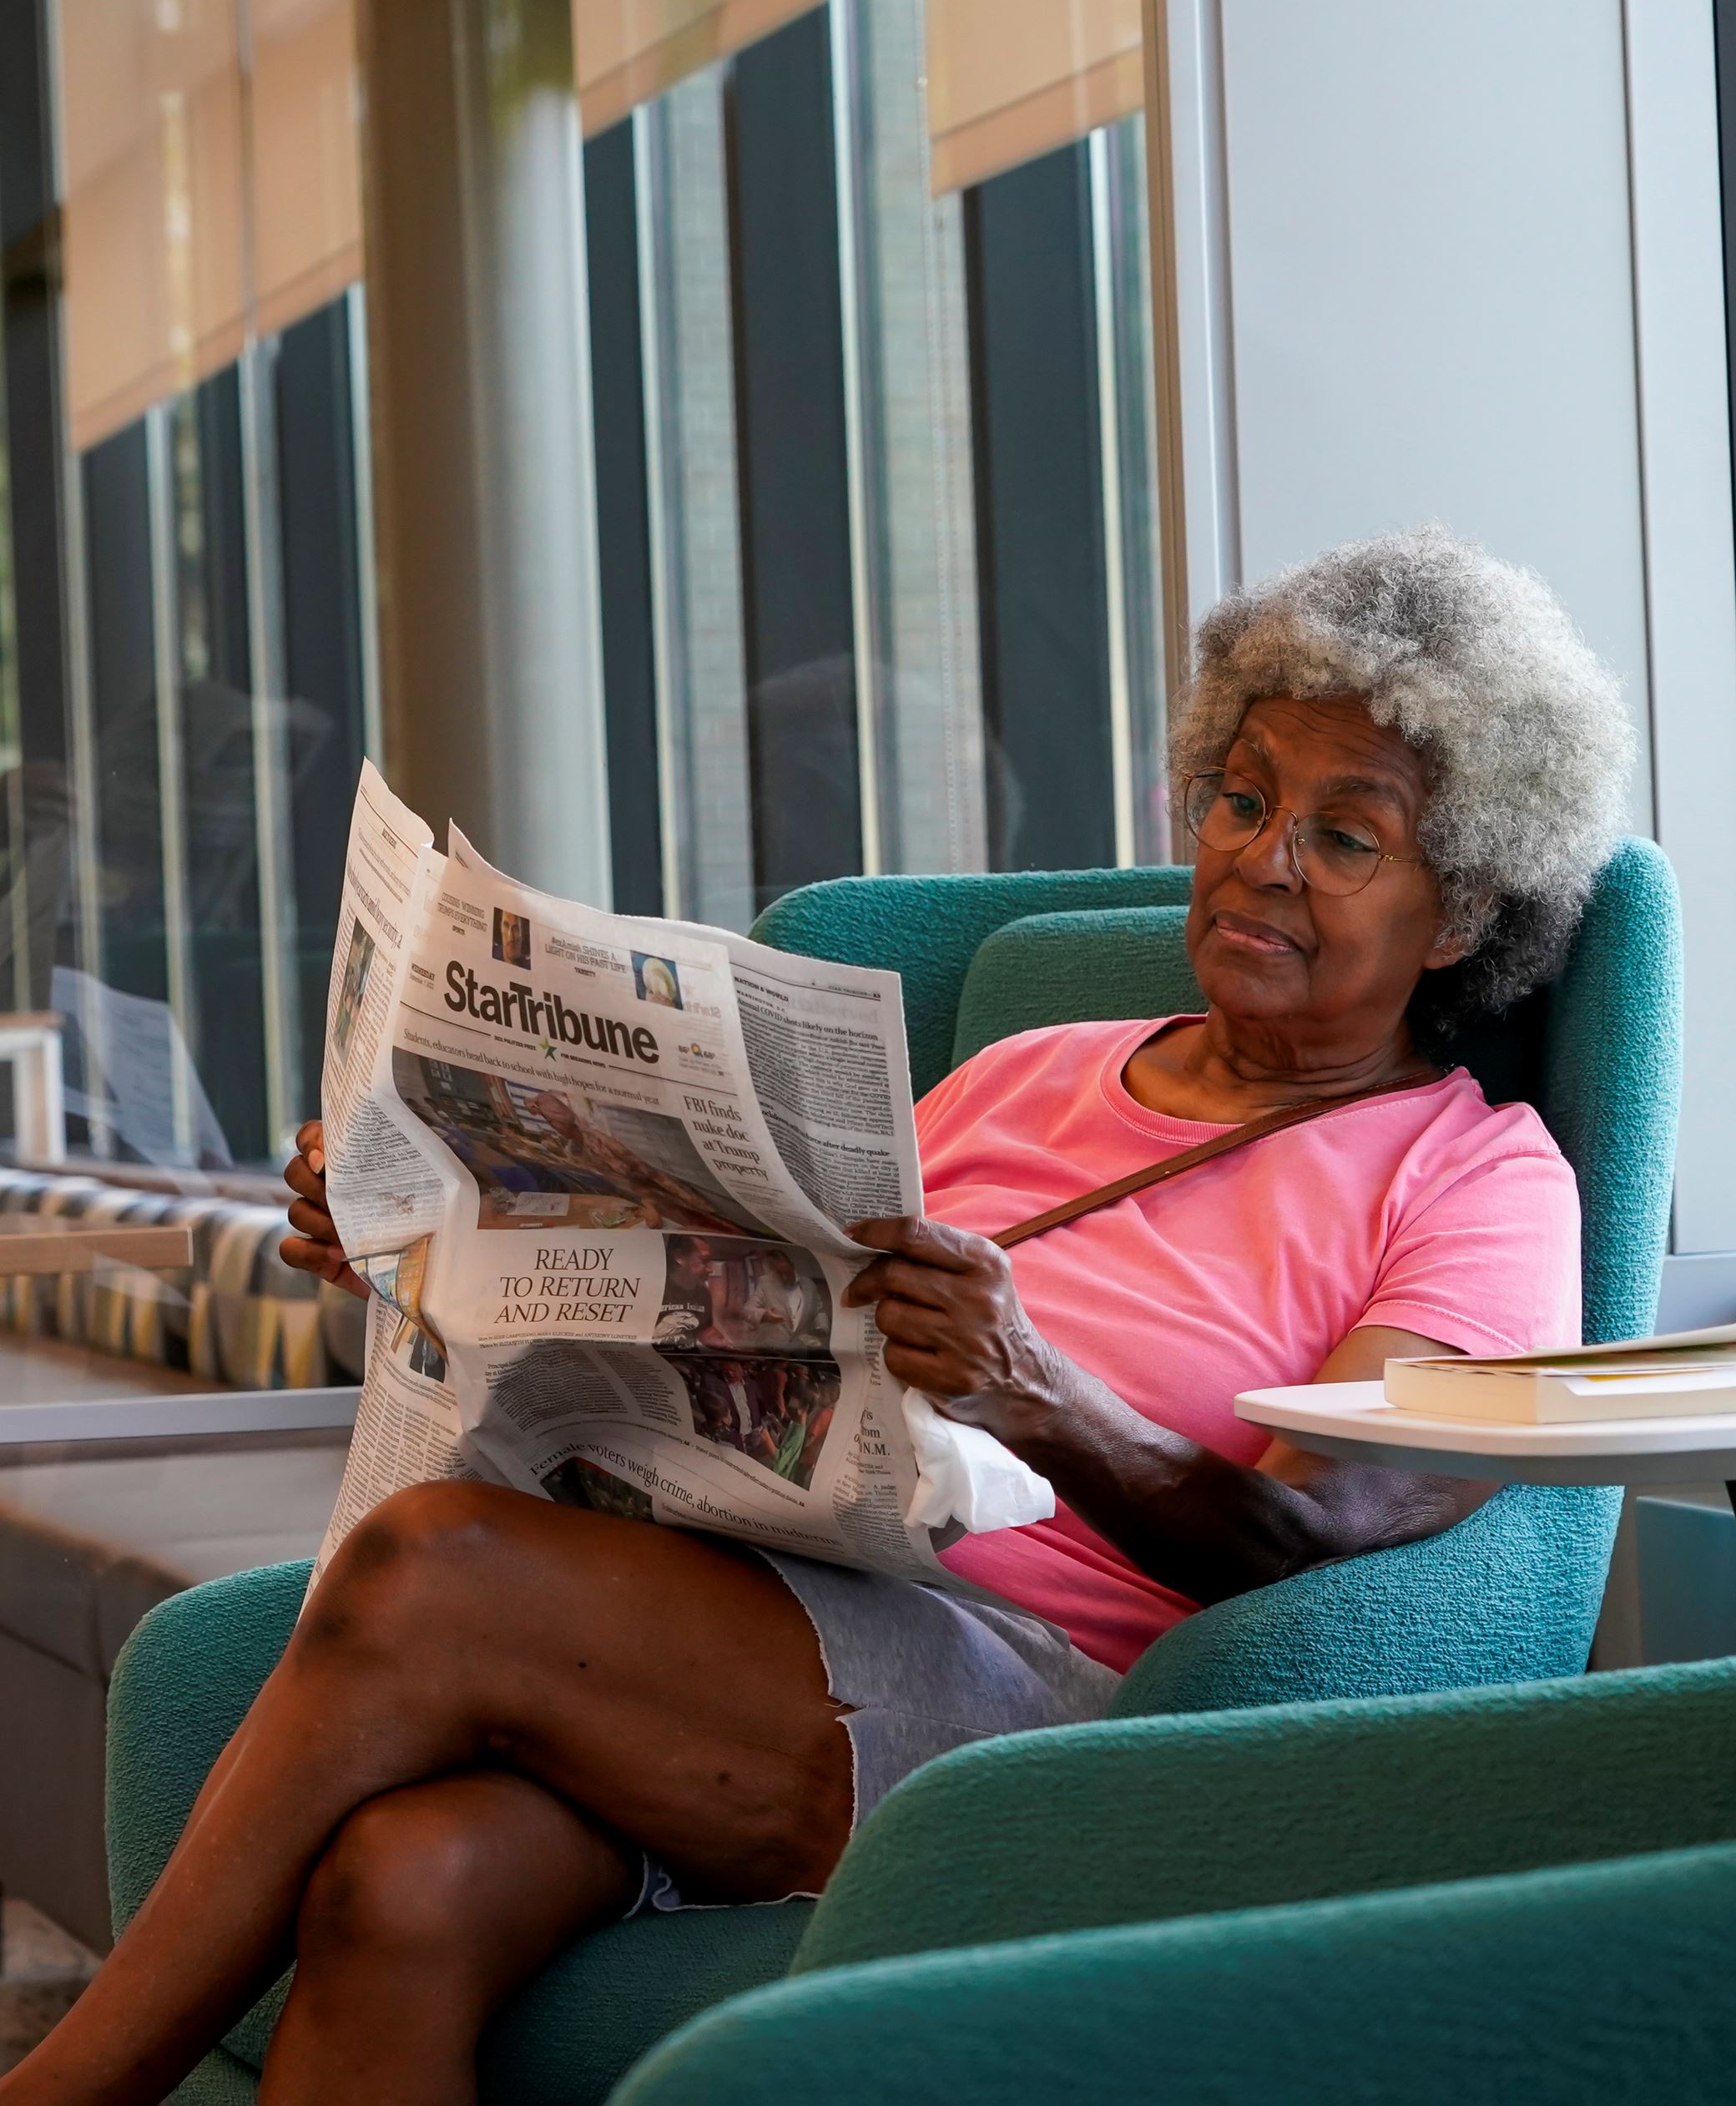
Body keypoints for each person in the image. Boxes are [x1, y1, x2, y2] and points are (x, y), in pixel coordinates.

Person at [2, 529, 1633, 2105]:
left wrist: (1029, 1390)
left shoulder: (1474, 1183)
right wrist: (423, 1230)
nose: (1262, 856)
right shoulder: (1028, 1071)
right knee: (401, 1883)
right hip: (745, 1600)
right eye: (1240, 795)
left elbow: (1306, 1527)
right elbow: (736, 1300)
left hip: (1029, 1686)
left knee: (434, 1565)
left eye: (1345, 836)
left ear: (1468, 909)